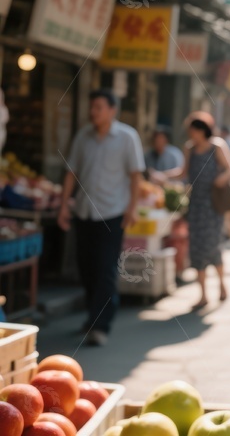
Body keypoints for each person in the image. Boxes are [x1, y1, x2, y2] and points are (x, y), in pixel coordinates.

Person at [58, 89, 145, 346]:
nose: (93, 112)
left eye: (98, 107)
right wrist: (64, 205)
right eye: (91, 107)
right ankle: (92, 316)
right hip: (84, 212)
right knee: (86, 268)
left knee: (105, 269)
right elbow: (70, 173)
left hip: (112, 213)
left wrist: (131, 208)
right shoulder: (83, 137)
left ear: (112, 110)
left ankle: (101, 325)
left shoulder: (128, 137)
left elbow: (136, 176)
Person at [167, 112, 230, 309]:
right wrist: (164, 177)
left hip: (214, 205)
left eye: (192, 131)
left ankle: (222, 285)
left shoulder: (217, 146)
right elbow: (182, 172)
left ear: (201, 130)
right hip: (196, 206)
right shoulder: (189, 149)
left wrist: (221, 179)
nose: (190, 134)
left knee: (213, 246)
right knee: (197, 248)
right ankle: (203, 295)